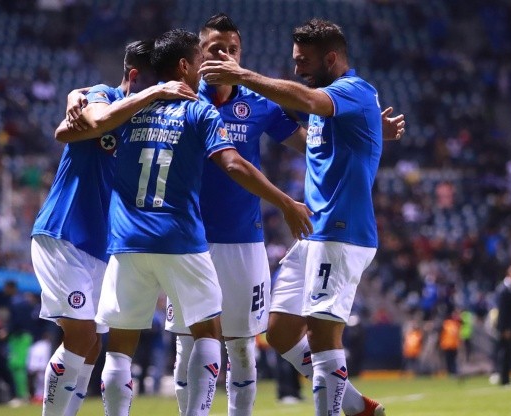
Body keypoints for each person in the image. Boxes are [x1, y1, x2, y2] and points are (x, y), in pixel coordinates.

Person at [170, 13, 405, 416]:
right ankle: (353, 405)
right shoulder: (184, 99)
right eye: (216, 51)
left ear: (331, 59)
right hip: (300, 233)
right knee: (278, 332)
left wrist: (243, 76)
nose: (296, 68)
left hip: (338, 232)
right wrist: (370, 129)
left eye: (303, 62)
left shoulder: (350, 91)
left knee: (314, 333)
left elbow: (309, 103)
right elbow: (315, 137)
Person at [94, 28, 312, 416]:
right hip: (186, 241)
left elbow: (85, 126)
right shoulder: (197, 106)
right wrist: (284, 202)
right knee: (200, 339)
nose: (222, 58)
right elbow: (231, 162)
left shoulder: (129, 106)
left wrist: (79, 98)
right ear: (189, 62)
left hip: (143, 241)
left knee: (126, 347)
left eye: (233, 50)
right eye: (209, 53)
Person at [32, 39, 195, 416]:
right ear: (136, 77)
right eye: (154, 83)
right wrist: (83, 95)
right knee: (82, 336)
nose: (161, 93)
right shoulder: (102, 95)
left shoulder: (141, 121)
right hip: (64, 233)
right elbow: (83, 125)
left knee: (91, 344)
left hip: (100, 245)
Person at [492, 263, 511, 386]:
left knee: (509, 352)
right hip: (506, 326)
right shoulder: (504, 288)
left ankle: (507, 377)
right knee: (504, 352)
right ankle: (503, 378)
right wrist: (506, 328)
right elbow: (503, 311)